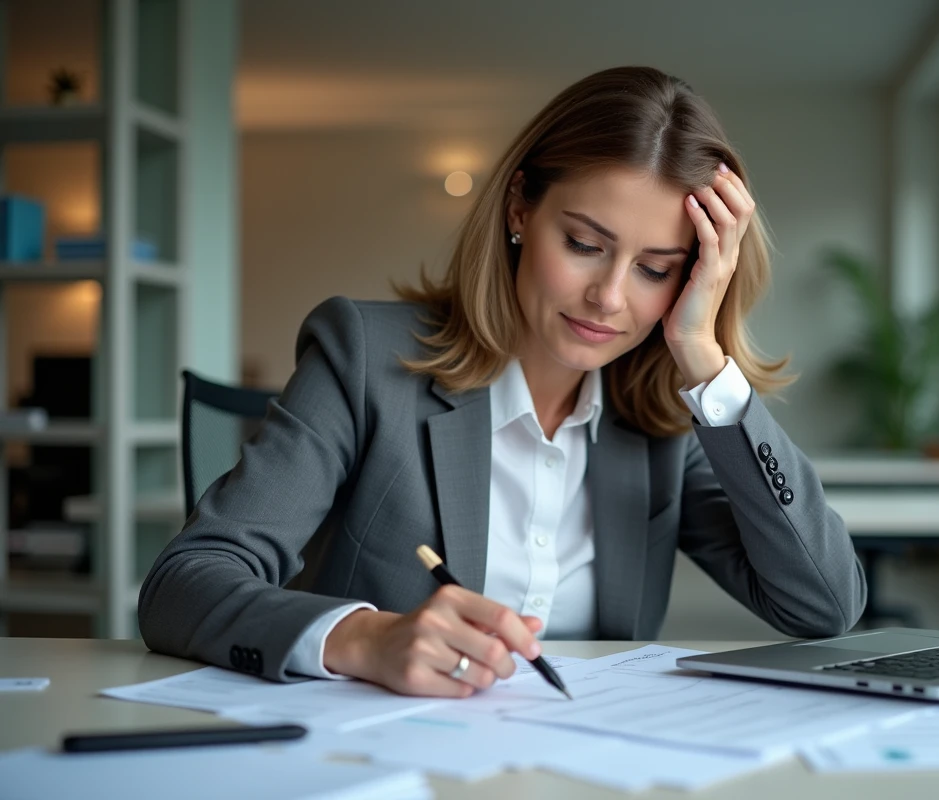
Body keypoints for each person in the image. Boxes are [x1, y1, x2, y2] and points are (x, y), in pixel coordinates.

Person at [139, 65, 866, 698]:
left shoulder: (668, 416)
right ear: (520, 207)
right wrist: (364, 640)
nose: (609, 297)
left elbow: (824, 605)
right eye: (584, 244)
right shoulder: (363, 357)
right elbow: (185, 583)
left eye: (655, 268)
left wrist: (704, 357)